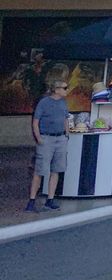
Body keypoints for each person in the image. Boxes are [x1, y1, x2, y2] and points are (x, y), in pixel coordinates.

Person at [26, 79, 70, 212]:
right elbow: (36, 121)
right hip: (47, 138)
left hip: (60, 137)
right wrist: (39, 137)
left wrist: (66, 133)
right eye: (64, 88)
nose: (66, 90)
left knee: (56, 170)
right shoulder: (44, 103)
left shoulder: (63, 102)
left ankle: (50, 199)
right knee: (40, 170)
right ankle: (31, 201)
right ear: (56, 90)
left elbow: (65, 118)